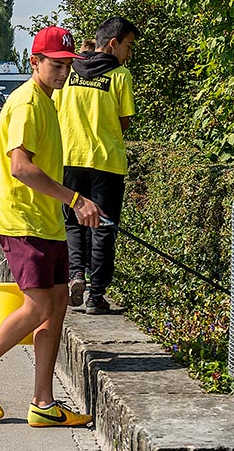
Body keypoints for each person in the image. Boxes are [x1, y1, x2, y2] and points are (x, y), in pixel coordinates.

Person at [0, 26, 103, 427]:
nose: (63, 73)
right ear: (34, 61)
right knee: (38, 304)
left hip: (45, 220)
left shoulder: (46, 100)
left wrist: (66, 204)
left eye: (67, 66)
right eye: (55, 65)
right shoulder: (26, 103)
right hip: (22, 220)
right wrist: (75, 199)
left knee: (55, 307)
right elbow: (19, 167)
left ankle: (43, 403)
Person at [53, 16, 139, 315]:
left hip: (68, 159)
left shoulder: (69, 72)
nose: (129, 54)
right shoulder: (120, 76)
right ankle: (96, 295)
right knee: (102, 227)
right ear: (113, 43)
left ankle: (76, 274)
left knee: (73, 222)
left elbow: (56, 111)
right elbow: (124, 120)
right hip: (106, 162)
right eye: (128, 46)